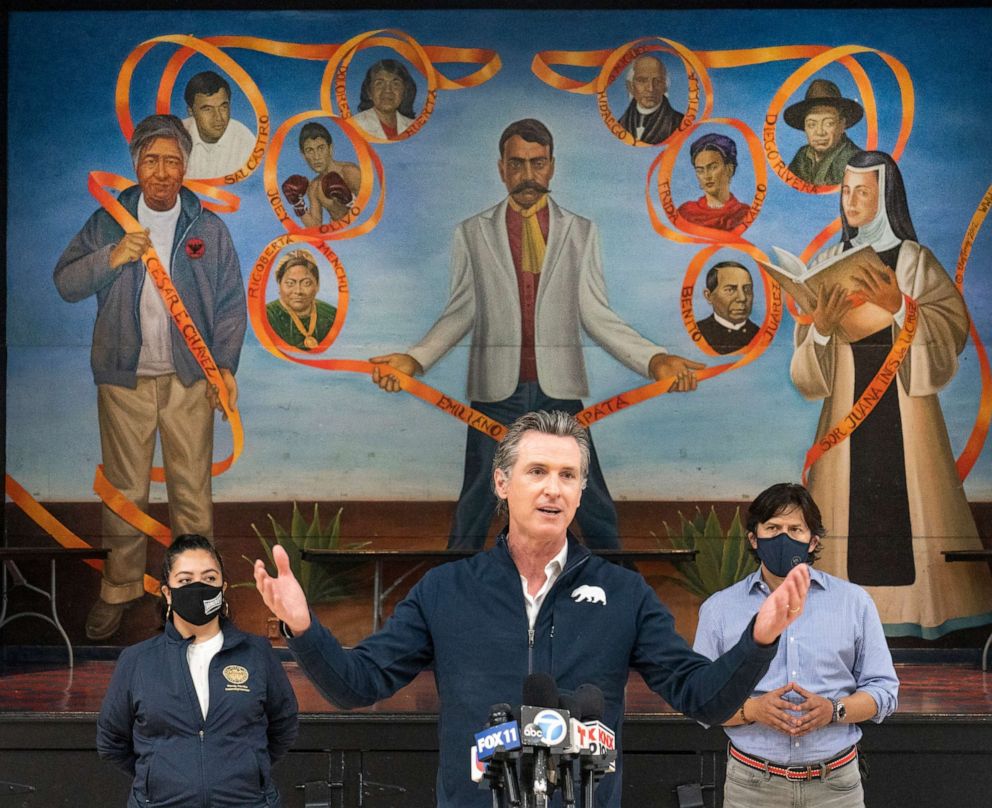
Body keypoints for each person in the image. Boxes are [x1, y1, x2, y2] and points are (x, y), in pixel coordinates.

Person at [255, 410, 812, 808]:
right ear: (502, 482)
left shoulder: (624, 593)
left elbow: (704, 700)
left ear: (581, 490)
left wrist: (758, 639)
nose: (553, 489)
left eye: (568, 476)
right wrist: (303, 628)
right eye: (537, 471)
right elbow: (358, 684)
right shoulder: (444, 590)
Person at [369, 118, 705, 550]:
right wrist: (413, 361)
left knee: (591, 499)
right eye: (517, 164)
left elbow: (596, 314)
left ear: (552, 166)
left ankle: (621, 585)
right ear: (501, 168)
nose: (528, 175)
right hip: (494, 392)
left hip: (559, 389)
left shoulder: (581, 232)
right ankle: (451, 589)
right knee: (477, 499)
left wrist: (656, 361)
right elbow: (460, 311)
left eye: (538, 163)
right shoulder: (471, 233)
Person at [53, 114, 247, 640]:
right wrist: (111, 258)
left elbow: (231, 305)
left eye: (172, 161)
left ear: (186, 166)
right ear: (136, 165)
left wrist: (222, 367)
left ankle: (198, 600)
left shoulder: (208, 227)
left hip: (189, 381)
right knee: (125, 491)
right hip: (123, 380)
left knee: (191, 494)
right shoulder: (108, 220)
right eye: (151, 160)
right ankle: (118, 591)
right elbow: (66, 282)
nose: (161, 172)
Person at [790, 150, 992, 637]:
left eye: (863, 191)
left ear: (886, 198)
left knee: (911, 508)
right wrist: (820, 328)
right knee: (845, 515)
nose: (852, 201)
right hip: (847, 404)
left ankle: (915, 616)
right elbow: (807, 367)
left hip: (905, 409)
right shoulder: (829, 261)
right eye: (846, 190)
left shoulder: (915, 261)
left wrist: (900, 305)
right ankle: (840, 620)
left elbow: (951, 327)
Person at [694, 483, 898, 808]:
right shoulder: (719, 609)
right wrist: (752, 710)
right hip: (752, 786)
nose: (783, 537)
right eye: (772, 528)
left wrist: (834, 710)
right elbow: (700, 701)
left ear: (812, 540)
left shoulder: (854, 602)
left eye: (795, 529)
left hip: (836, 786)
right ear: (753, 538)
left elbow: (884, 691)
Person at [97, 534, 298, 807]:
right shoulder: (136, 661)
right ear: (167, 592)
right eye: (185, 580)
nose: (199, 587)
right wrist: (158, 778)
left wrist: (248, 769)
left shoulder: (257, 653)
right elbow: (112, 741)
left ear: (222, 588)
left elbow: (283, 726)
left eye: (209, 578)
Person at [282, 122, 362, 228]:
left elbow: (371, 207)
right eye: (310, 150)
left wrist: (351, 201)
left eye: (321, 148)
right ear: (303, 155)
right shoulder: (314, 187)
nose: (316, 156)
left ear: (330, 148)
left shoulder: (350, 172)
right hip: (342, 236)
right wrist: (298, 205)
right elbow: (315, 226)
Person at [784, 80, 863, 187]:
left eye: (828, 123)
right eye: (812, 124)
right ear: (805, 127)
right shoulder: (802, 155)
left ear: (842, 125)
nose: (820, 132)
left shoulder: (856, 160)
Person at [181, 70, 256, 179]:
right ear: (191, 111)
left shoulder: (245, 141)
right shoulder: (176, 137)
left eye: (223, 107)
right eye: (207, 109)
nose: (218, 117)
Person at [266, 248, 337, 350]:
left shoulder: (332, 315)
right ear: (279, 285)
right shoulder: (267, 315)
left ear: (317, 285)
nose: (298, 291)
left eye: (306, 283)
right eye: (290, 283)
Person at [678, 133, 750, 231]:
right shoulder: (685, 213)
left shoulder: (746, 214)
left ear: (729, 169)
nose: (707, 176)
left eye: (713, 167)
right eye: (700, 170)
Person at [617, 54, 684, 144]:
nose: (651, 88)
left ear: (665, 86)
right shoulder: (620, 125)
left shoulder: (680, 123)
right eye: (642, 80)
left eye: (658, 81)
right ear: (630, 87)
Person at [697, 261, 759, 354]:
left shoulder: (760, 334)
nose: (742, 298)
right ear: (709, 296)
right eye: (730, 290)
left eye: (747, 289)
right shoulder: (698, 332)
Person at [351, 59, 417, 140]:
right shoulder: (353, 125)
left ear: (404, 91)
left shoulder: (414, 126)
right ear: (369, 92)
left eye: (395, 84)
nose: (388, 90)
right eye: (379, 83)